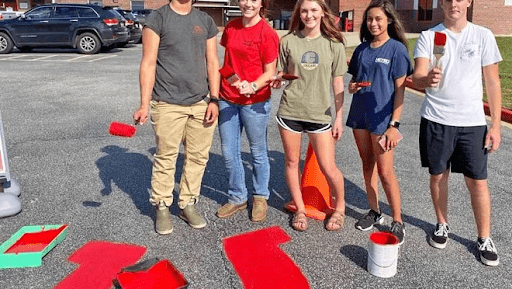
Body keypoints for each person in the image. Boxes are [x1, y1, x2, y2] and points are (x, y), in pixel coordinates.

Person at [412, 0, 502, 266]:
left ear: (469, 2)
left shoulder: (482, 35)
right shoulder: (430, 37)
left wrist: (495, 124)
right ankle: (442, 224)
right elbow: (417, 75)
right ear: (442, 3)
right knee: (438, 176)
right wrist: (425, 79)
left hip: (472, 122)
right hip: (436, 119)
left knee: (477, 181)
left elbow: (493, 81)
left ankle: (484, 237)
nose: (454, 3)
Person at [133, 0, 220, 235]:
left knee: (198, 157)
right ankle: (162, 206)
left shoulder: (205, 21)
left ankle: (187, 203)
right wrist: (144, 104)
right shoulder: (158, 19)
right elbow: (148, 63)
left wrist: (214, 99)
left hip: (201, 102)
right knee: (166, 156)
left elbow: (212, 63)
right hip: (167, 103)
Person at [271, 0, 347, 231]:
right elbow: (282, 75)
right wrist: (278, 80)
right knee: (292, 162)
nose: (309, 15)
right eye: (304, 10)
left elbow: (338, 83)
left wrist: (338, 117)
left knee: (328, 166)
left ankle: (340, 208)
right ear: (299, 13)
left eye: (314, 10)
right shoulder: (288, 41)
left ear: (323, 12)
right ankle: (301, 209)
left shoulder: (334, 44)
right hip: (290, 111)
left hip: (320, 114)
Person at [345, 0, 412, 244]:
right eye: (370, 19)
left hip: (383, 120)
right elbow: (355, 80)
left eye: (378, 19)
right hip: (360, 114)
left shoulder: (396, 50)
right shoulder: (362, 49)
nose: (373, 23)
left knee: (385, 171)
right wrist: (352, 87)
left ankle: (398, 220)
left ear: (389, 21)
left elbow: (401, 91)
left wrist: (394, 125)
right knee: (367, 165)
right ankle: (374, 211)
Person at [215, 0, 279, 222]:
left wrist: (252, 85)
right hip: (227, 99)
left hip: (256, 102)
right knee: (229, 151)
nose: (248, 4)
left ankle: (260, 196)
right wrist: (224, 85)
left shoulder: (267, 33)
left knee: (258, 151)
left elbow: (270, 71)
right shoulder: (231, 27)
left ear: (262, 3)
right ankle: (237, 197)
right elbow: (227, 62)